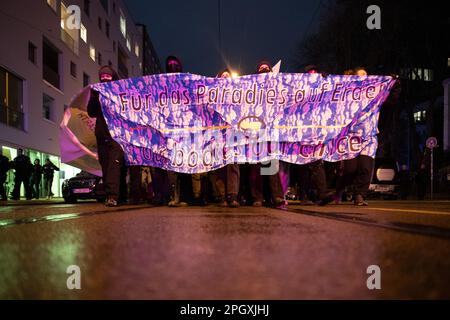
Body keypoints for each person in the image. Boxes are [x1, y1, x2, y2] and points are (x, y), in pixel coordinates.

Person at [87, 65, 124, 207]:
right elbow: (92, 113)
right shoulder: (97, 93)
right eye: (102, 76)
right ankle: (110, 194)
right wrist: (94, 98)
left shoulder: (120, 92)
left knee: (113, 165)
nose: (105, 79)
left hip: (117, 135)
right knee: (105, 164)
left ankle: (113, 196)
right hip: (102, 135)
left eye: (108, 76)